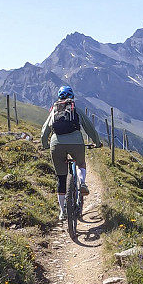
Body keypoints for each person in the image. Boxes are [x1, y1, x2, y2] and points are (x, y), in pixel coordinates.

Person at [41, 86, 103, 220]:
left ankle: (62, 211)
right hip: (76, 143)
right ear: (72, 97)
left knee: (61, 178)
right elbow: (89, 128)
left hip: (56, 144)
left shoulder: (53, 111)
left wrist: (45, 145)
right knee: (80, 163)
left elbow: (45, 130)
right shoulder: (76, 110)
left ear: (59, 98)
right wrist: (97, 143)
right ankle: (82, 183)